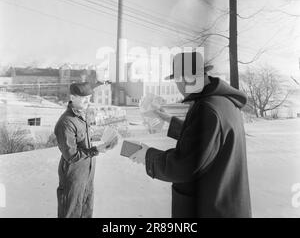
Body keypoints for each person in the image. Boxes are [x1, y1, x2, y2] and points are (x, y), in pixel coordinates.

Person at [130, 51, 252, 218]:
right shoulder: (223, 102)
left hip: (209, 208)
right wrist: (167, 118)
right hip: (225, 205)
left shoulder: (207, 109)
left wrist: (147, 156)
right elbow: (207, 140)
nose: (179, 87)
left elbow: (184, 166)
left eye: (177, 81)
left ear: (186, 77)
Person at [54, 82, 117, 218]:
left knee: (86, 212)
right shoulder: (66, 122)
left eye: (89, 97)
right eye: (84, 98)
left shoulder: (81, 116)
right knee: (71, 213)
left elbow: (84, 142)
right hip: (73, 178)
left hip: (87, 175)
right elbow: (71, 155)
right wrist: (96, 150)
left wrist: (104, 142)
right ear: (72, 97)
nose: (88, 101)